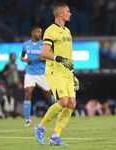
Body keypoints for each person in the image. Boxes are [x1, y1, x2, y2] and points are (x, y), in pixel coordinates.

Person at [34, 3, 79, 146]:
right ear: (60, 14)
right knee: (63, 101)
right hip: (54, 71)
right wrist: (60, 59)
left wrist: (72, 73)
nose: (70, 13)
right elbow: (44, 53)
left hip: (66, 73)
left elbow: (68, 57)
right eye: (67, 11)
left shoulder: (67, 31)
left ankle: (55, 136)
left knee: (71, 104)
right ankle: (40, 127)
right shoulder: (50, 31)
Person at [21, 26, 56, 127]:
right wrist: (24, 59)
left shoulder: (44, 44)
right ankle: (28, 120)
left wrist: (45, 58)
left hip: (42, 73)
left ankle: (58, 110)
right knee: (28, 93)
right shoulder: (26, 45)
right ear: (32, 33)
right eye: (37, 32)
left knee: (48, 95)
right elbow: (22, 56)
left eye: (41, 32)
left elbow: (52, 56)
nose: (40, 34)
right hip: (30, 72)